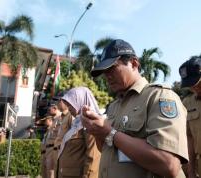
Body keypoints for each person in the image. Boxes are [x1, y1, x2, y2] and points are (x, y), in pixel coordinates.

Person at [81, 39, 189, 178]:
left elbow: (169, 164)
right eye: (104, 71)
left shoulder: (160, 96)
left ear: (133, 63)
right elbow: (109, 151)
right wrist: (97, 131)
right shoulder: (114, 106)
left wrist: (110, 133)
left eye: (112, 68)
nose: (107, 76)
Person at [56, 87, 101, 178]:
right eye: (67, 105)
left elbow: (93, 156)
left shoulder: (90, 123)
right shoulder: (77, 123)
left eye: (71, 104)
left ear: (80, 101)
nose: (69, 108)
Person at [179, 56, 201, 178]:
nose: (194, 88)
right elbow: (189, 137)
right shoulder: (187, 103)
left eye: (196, 82)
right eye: (190, 85)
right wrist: (191, 170)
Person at [45, 104, 62, 178]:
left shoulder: (61, 118)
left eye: (49, 109)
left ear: (55, 109)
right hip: (49, 149)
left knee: (52, 171)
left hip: (54, 148)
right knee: (49, 171)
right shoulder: (55, 118)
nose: (48, 111)